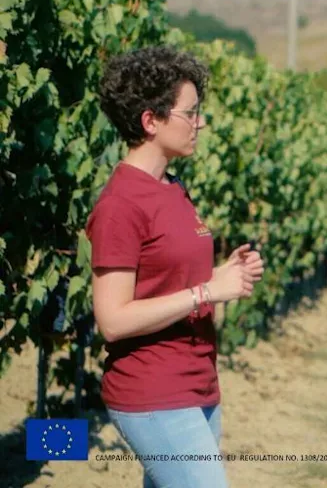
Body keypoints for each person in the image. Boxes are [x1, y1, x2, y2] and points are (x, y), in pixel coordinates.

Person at [85, 46, 264, 488]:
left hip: (198, 384)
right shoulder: (121, 205)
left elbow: (171, 278)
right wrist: (207, 292)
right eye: (191, 112)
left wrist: (226, 273)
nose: (200, 122)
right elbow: (112, 319)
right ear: (151, 121)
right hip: (152, 394)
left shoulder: (172, 188)